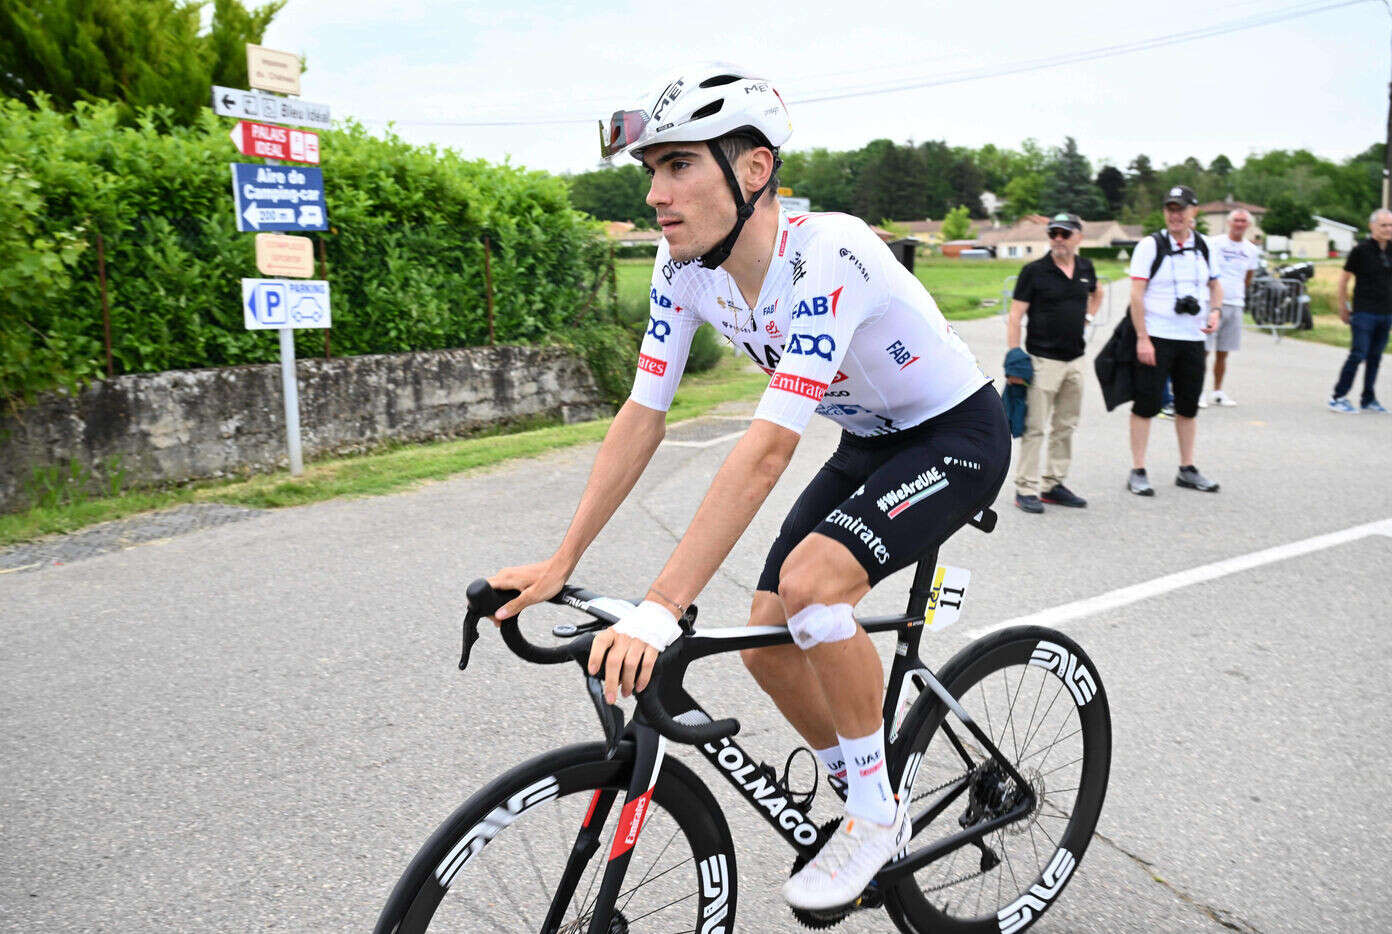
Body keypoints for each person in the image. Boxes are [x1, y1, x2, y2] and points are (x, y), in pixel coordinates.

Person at [486, 64, 1009, 913]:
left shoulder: (829, 255)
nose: (657, 192)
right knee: (768, 639)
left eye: (679, 165)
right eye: (650, 169)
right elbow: (641, 416)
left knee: (810, 590)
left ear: (753, 170)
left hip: (955, 433)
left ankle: (877, 815)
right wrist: (561, 558)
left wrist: (661, 608)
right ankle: (866, 785)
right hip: (870, 438)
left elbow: (766, 450)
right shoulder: (682, 268)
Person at [1124, 185, 1223, 495]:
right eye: (1170, 209)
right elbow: (1136, 296)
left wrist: (1215, 311)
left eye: (1181, 209)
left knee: (1188, 406)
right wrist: (1142, 338)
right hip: (1156, 337)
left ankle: (1187, 468)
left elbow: (1215, 286)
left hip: (1193, 339)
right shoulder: (1150, 246)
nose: (1175, 215)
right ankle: (1138, 469)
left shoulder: (1205, 246)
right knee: (1146, 405)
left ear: (1193, 212)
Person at [1006, 212, 1104, 513]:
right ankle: (1026, 487)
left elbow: (1097, 293)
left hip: (1075, 360)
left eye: (1064, 233)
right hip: (1042, 361)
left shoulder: (1086, 268)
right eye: (1053, 234)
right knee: (1035, 428)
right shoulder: (1034, 271)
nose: (1058, 239)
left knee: (1065, 425)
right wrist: (1014, 358)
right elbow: (1015, 316)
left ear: (1078, 237)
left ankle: (1053, 484)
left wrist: (1087, 316)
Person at [1328, 208, 1392, 413]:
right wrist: (1344, 307)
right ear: (1372, 226)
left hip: (1386, 311)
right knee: (1358, 353)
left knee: (1375, 357)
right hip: (1364, 311)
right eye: (1383, 225)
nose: (1388, 229)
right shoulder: (1361, 250)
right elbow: (1344, 281)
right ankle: (1338, 396)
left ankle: (1368, 398)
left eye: (1391, 225)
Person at [1202, 209, 1260, 407]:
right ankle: (1198, 391)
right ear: (1229, 222)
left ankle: (1217, 391)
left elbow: (1248, 277)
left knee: (1223, 352)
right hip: (1212, 303)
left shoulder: (1251, 250)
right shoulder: (1215, 243)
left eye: (1243, 221)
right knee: (1204, 350)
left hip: (1235, 303)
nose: (1239, 224)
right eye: (1236, 220)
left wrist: (1237, 292)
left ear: (1248, 225)